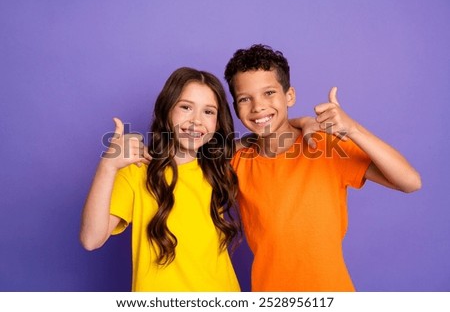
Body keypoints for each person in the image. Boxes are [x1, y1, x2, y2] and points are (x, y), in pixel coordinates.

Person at [224, 44, 422, 291]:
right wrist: (299, 121)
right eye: (245, 99)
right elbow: (199, 150)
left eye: (269, 93)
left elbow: (410, 182)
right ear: (236, 107)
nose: (258, 106)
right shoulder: (238, 161)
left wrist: (352, 129)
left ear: (290, 96)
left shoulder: (325, 146)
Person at [79, 67, 242, 291]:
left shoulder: (221, 168)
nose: (196, 121)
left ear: (218, 122)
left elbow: (270, 139)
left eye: (209, 112)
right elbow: (91, 239)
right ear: (167, 111)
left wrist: (303, 123)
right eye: (186, 107)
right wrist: (107, 166)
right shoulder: (136, 171)